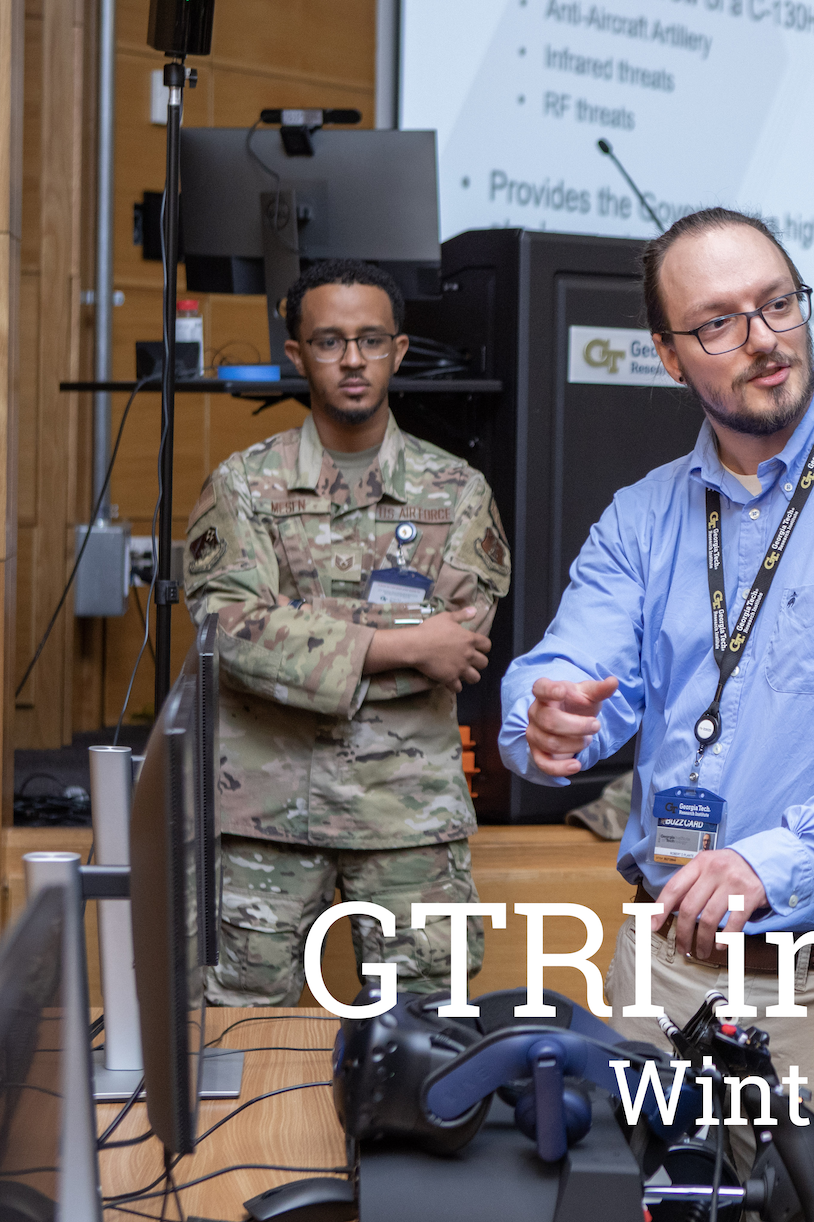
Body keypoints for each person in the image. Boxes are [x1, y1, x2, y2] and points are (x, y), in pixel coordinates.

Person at [496, 208, 814, 1221]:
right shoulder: (643, 516)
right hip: (659, 976)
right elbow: (567, 670)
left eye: (777, 303)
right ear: (670, 358)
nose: (764, 337)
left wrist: (777, 859)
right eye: (719, 322)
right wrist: (540, 717)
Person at [185, 259, 510, 1006]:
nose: (353, 359)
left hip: (405, 820)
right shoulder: (243, 484)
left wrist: (301, 637)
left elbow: (457, 645)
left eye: (370, 340)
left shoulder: (456, 491)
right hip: (263, 819)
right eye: (329, 341)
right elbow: (231, 635)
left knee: (425, 1046)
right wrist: (399, 644)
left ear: (399, 350)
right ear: (297, 353)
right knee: (237, 1037)